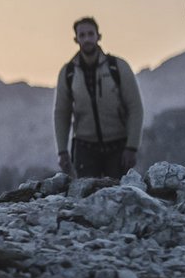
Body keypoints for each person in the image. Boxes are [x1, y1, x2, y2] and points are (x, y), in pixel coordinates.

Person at [54, 17, 144, 179]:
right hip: (84, 148)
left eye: (90, 34)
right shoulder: (68, 73)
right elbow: (62, 113)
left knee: (120, 198)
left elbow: (135, 107)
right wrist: (62, 151)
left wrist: (132, 147)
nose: (87, 39)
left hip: (118, 146)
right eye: (82, 35)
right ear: (76, 39)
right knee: (86, 200)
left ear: (98, 36)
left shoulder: (117, 67)